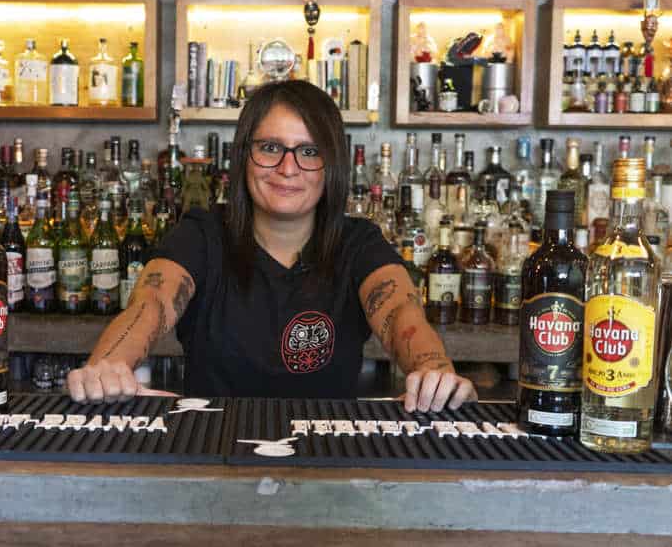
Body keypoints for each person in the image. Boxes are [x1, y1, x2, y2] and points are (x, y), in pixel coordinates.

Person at [68, 80, 476, 412]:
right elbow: (150, 304)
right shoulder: (202, 235)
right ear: (243, 156)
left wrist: (434, 373)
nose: (287, 168)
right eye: (270, 148)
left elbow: (401, 312)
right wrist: (109, 367)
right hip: (207, 453)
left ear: (331, 165)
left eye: (309, 151)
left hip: (328, 464)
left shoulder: (358, 243)